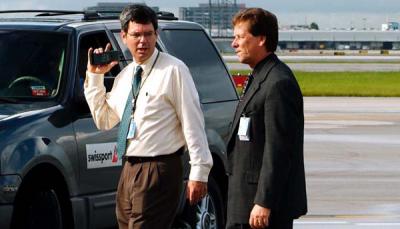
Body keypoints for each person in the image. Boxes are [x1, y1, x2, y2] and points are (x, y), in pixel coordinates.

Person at [84, 4, 213, 228]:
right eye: (136, 35)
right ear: (124, 36)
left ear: (157, 34)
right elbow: (104, 120)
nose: (142, 41)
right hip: (129, 168)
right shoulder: (125, 76)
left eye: (148, 34)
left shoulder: (174, 70)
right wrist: (95, 78)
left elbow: (192, 121)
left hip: (159, 168)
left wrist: (199, 171)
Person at [226, 8, 307, 229]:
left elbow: (279, 150)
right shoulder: (260, 76)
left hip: (261, 209)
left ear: (261, 39)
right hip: (244, 201)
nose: (234, 44)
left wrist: (264, 201)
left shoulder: (278, 83)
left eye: (240, 37)